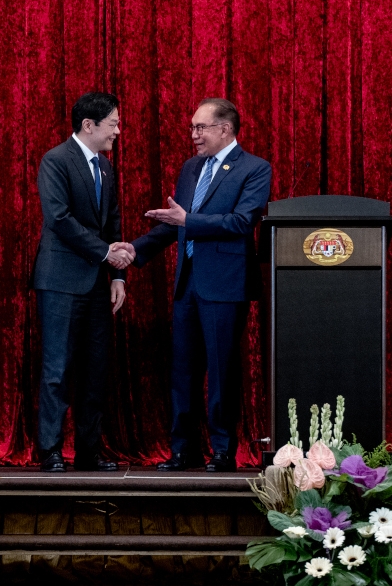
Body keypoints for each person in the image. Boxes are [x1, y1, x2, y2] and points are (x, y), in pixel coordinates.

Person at [132, 98, 272, 472]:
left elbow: (241, 222)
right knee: (183, 370)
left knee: (222, 371)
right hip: (188, 283)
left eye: (201, 127)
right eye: (193, 127)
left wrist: (187, 220)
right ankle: (183, 450)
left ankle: (223, 450)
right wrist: (134, 249)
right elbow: (177, 222)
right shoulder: (191, 168)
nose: (193, 135)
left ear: (224, 129)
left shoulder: (255, 168)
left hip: (225, 285)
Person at [32, 92, 135, 473]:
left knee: (95, 371)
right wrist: (106, 254)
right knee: (57, 369)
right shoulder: (56, 160)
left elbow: (113, 223)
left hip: (96, 284)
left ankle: (89, 451)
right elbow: (59, 219)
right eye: (114, 124)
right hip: (59, 280)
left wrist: (119, 274)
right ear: (88, 125)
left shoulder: (105, 168)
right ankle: (51, 450)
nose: (118, 131)